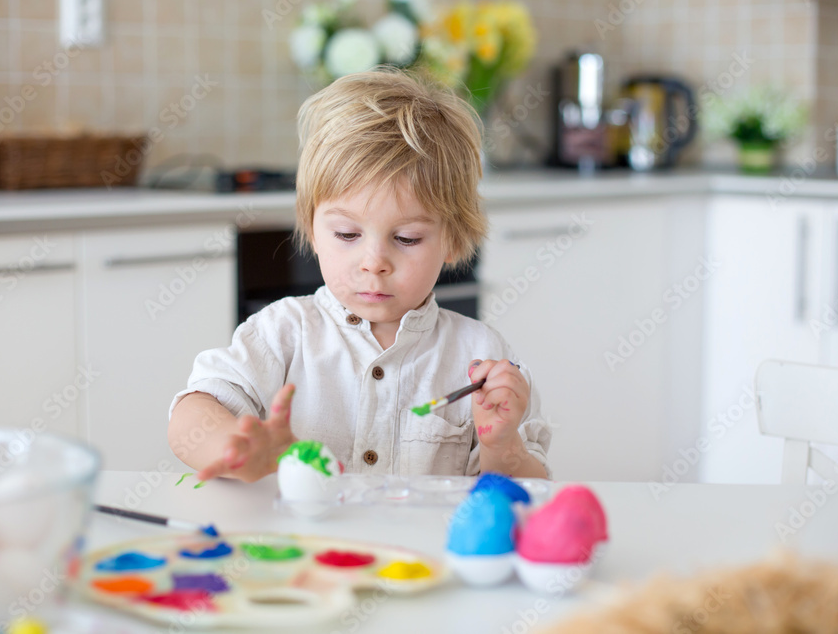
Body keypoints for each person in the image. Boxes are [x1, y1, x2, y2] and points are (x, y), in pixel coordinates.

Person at [167, 69, 551, 483]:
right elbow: (192, 413)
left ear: (454, 241)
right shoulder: (283, 333)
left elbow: (527, 490)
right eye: (347, 234)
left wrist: (502, 444)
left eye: (406, 238)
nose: (373, 262)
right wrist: (232, 447)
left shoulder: (479, 355)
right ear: (313, 231)